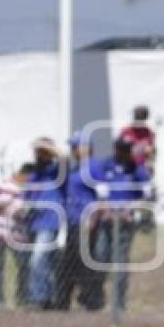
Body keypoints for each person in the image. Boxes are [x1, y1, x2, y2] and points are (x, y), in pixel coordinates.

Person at [95, 136, 151, 311]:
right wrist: (104, 208)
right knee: (100, 255)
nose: (124, 152)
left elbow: (147, 194)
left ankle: (118, 304)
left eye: (127, 149)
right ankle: (97, 298)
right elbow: (100, 190)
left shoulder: (137, 168)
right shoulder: (106, 165)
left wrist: (132, 208)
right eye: (121, 148)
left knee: (120, 261)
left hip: (125, 221)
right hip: (106, 219)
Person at [53, 132, 106, 311]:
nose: (73, 150)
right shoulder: (75, 169)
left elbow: (102, 195)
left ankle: (91, 300)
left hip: (85, 222)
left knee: (83, 262)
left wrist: (93, 218)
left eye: (75, 147)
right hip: (72, 221)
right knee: (67, 263)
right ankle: (62, 301)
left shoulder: (92, 167)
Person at [0, 164, 33, 308]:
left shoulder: (28, 190)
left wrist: (21, 213)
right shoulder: (2, 183)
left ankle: (21, 297)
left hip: (16, 234)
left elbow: (27, 211)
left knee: (23, 264)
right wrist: (2, 205)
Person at [22, 138, 64, 310]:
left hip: (50, 221)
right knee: (46, 263)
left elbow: (64, 160)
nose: (37, 156)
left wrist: (49, 150)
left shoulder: (55, 172)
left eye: (41, 153)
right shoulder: (33, 177)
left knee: (38, 259)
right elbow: (27, 199)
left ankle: (38, 298)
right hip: (34, 223)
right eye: (36, 153)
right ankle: (49, 298)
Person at [119, 105, 156, 174]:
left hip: (141, 166)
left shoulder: (148, 132)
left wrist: (150, 163)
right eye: (137, 117)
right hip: (126, 166)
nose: (139, 119)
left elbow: (151, 152)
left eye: (142, 117)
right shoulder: (125, 131)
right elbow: (119, 150)